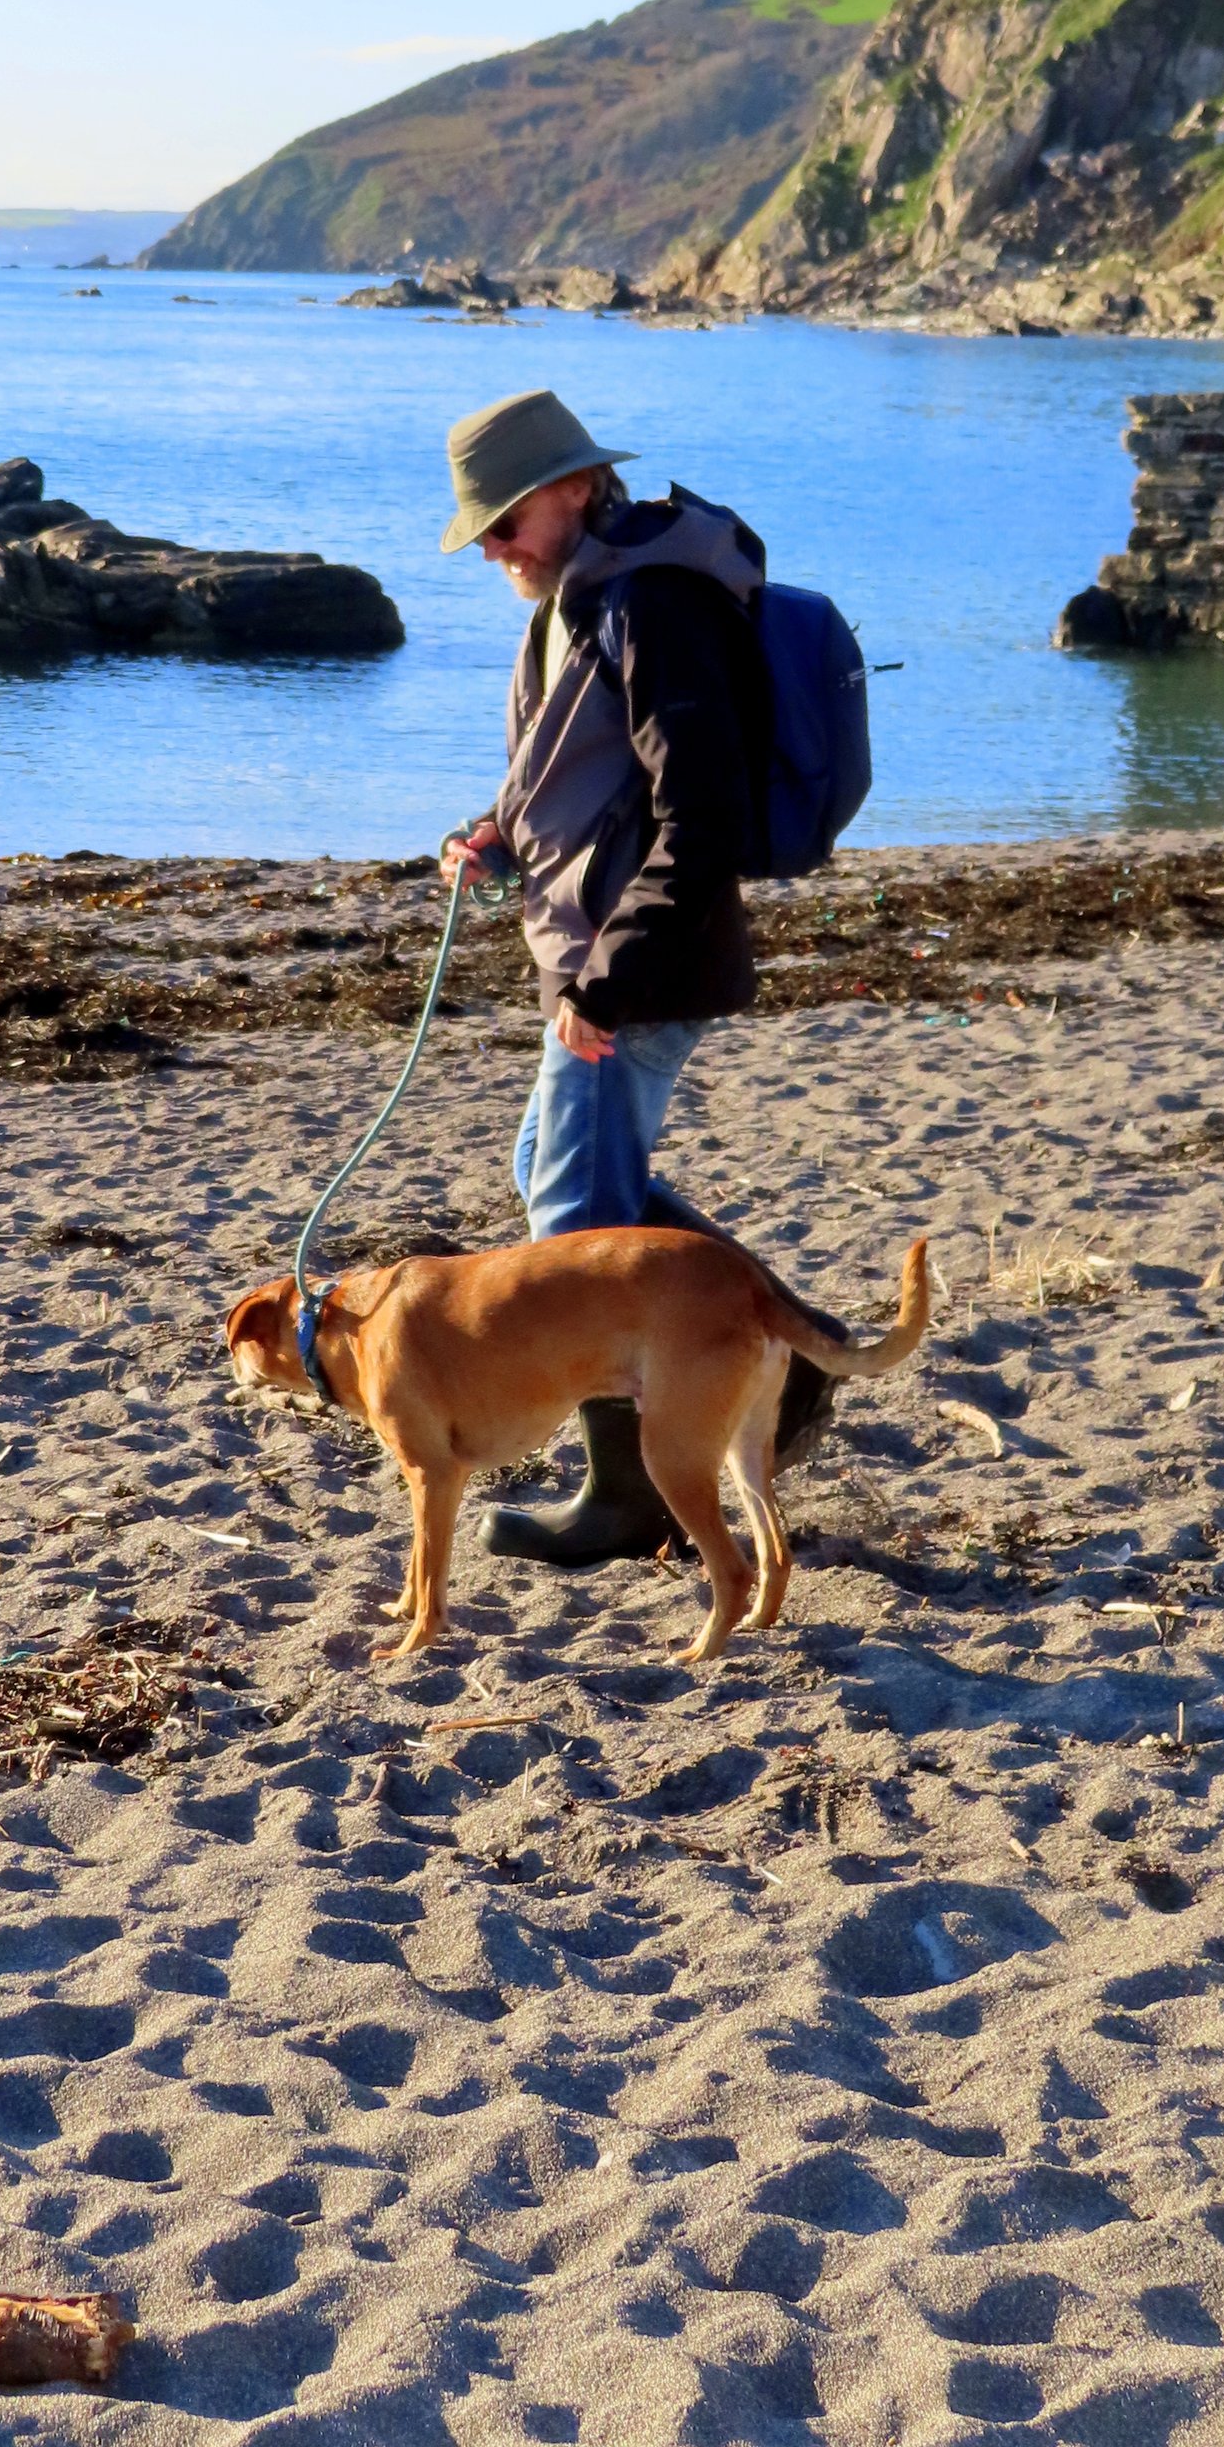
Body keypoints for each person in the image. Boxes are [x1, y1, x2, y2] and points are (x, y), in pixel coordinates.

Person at [439, 386, 822, 1567]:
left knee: (574, 1213)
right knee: (552, 1176)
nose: (494, 550)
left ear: (570, 489)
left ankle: (626, 1494)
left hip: (635, 969)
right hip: (602, 956)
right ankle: (783, 1356)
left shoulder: (652, 600)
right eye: (482, 534)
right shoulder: (575, 599)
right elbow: (573, 771)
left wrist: (604, 981)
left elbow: (696, 815)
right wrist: (495, 834)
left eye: (503, 523)